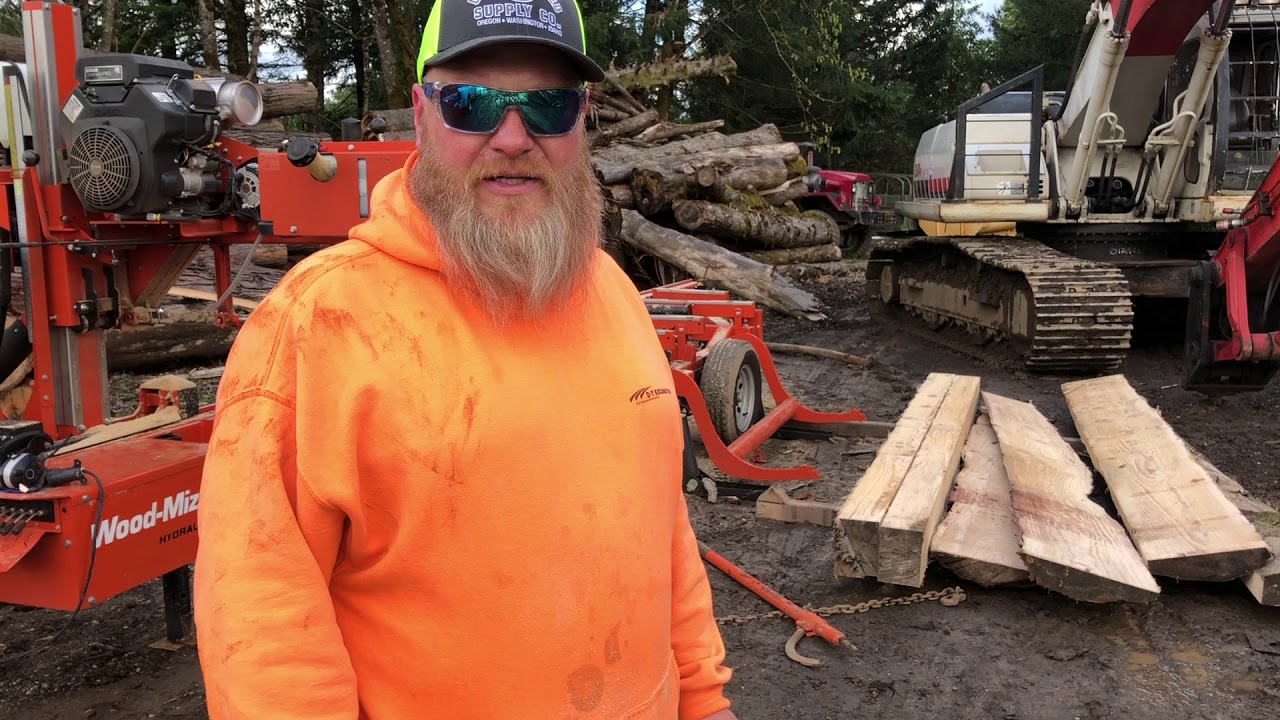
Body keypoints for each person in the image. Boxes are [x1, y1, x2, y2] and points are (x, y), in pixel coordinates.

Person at [191, 0, 737, 718]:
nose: (513, 137)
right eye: (472, 103)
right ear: (420, 112)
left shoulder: (614, 294)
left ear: (584, 118)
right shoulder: (317, 327)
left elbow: (661, 532)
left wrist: (703, 697)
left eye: (548, 105)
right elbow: (262, 635)